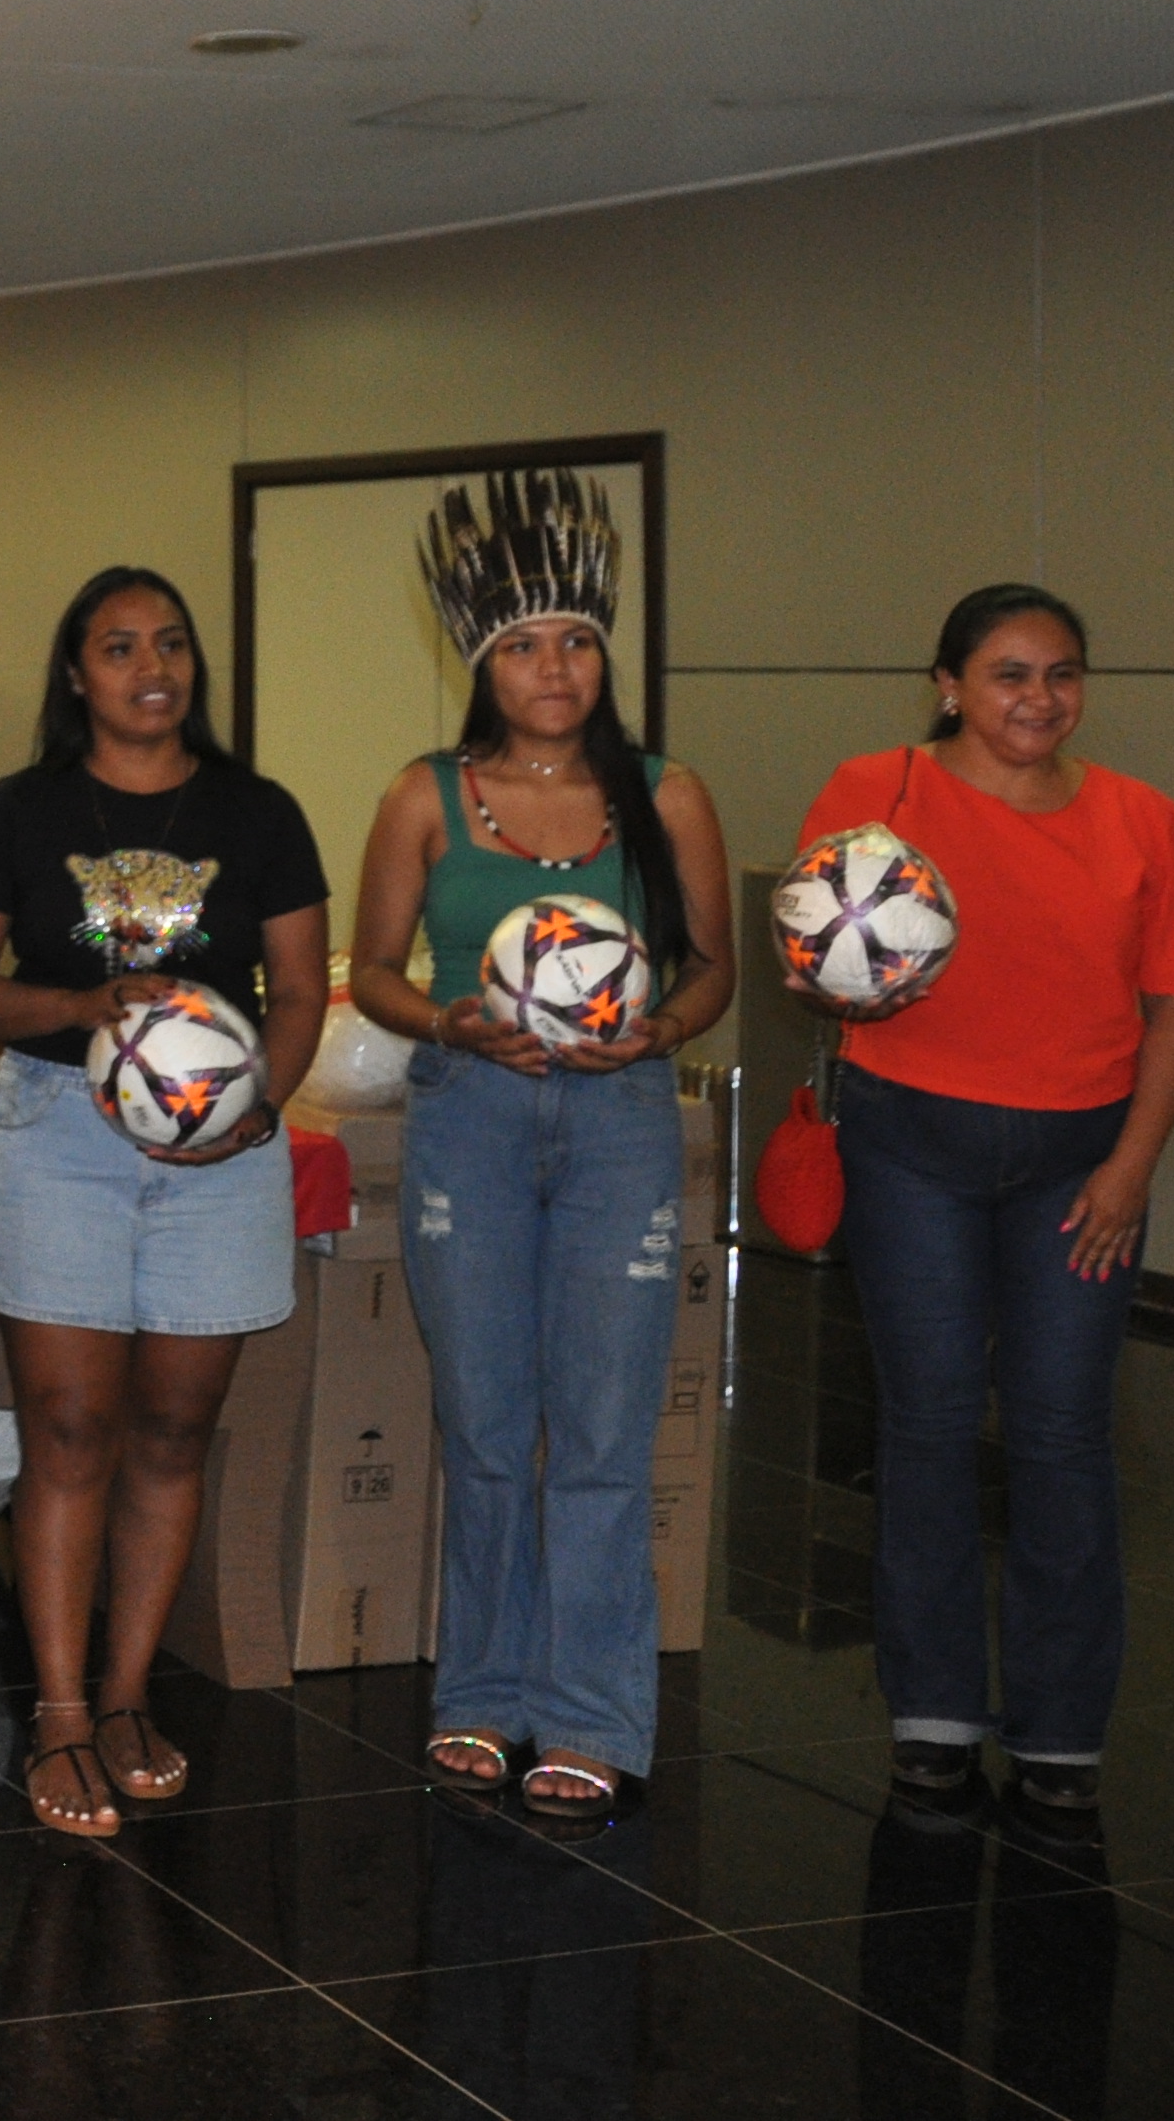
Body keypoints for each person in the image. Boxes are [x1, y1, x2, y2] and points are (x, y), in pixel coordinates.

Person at [792, 584, 1174, 1821]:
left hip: (1078, 1167)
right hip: (907, 1149)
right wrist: (842, 994)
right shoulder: (876, 791)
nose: (1037, 699)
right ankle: (932, 1713)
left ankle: (1061, 1730)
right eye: (1006, 675)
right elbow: (815, 960)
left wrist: (1130, 1166)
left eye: (1061, 674)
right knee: (926, 1426)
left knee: (1059, 1432)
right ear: (947, 685)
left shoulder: (1142, 818)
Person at [345, 471, 734, 1818]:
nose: (552, 665)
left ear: (604, 655)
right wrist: (448, 1021)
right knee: (491, 1424)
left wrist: (656, 1033)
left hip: (625, 1123)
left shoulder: (669, 794)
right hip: (474, 1114)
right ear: (482, 663)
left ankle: (596, 1713)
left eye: (573, 639)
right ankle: (485, 1696)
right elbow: (371, 975)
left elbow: (713, 973)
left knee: (608, 1425)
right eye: (521, 644)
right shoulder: (426, 796)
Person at [0, 565, 326, 1837]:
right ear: (76, 674)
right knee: (70, 1429)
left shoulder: (258, 812)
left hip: (222, 1153)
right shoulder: (20, 808)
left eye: (169, 643)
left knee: (169, 1430)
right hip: (57, 1136)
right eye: (117, 646)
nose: (150, 665)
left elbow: (302, 992)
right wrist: (77, 1008)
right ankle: (54, 1710)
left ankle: (128, 1694)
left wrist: (256, 1106)